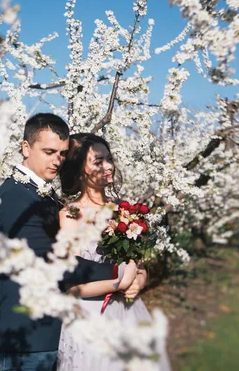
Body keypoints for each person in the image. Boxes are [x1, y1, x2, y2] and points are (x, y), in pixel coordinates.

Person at [0, 114, 141, 371]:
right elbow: (47, 258)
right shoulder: (15, 196)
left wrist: (136, 275)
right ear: (26, 147)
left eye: (62, 154)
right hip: (26, 334)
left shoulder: (39, 192)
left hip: (51, 331)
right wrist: (117, 273)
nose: (56, 160)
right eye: (49, 151)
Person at [56, 133, 172, 371]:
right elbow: (72, 288)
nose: (108, 166)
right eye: (98, 162)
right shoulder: (70, 215)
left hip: (129, 313)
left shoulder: (124, 210)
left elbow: (138, 267)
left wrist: (138, 281)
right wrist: (120, 283)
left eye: (108, 159)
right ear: (79, 171)